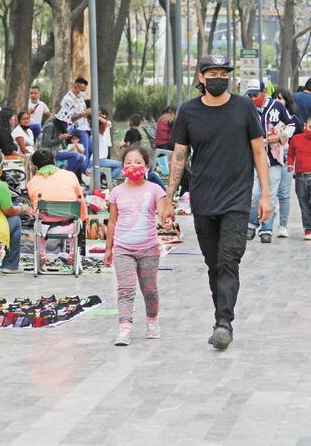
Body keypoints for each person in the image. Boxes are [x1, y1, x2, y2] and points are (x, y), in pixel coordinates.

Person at [161, 55, 271, 351]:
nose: (219, 78)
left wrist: (265, 195)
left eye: (224, 73)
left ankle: (224, 323)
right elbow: (179, 155)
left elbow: (259, 152)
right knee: (213, 265)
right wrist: (168, 198)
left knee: (228, 261)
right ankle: (220, 318)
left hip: (237, 199)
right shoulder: (188, 111)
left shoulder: (244, 107)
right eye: (213, 73)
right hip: (203, 199)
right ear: (201, 77)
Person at [105, 145, 166, 345]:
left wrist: (167, 218)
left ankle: (152, 321)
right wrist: (108, 248)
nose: (133, 166)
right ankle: (124, 328)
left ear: (147, 166)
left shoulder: (155, 189)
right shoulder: (116, 192)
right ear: (123, 167)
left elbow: (163, 213)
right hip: (123, 249)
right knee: (125, 289)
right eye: (128, 162)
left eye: (138, 162)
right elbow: (112, 222)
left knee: (150, 290)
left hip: (149, 248)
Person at [244, 79, 295, 243]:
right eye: (250, 96)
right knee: (254, 193)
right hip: (253, 157)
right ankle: (251, 223)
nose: (253, 99)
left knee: (271, 195)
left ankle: (266, 228)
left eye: (256, 95)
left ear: (264, 92)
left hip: (273, 157)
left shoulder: (277, 106)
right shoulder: (246, 107)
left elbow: (292, 124)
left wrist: (281, 136)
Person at [273, 88, 302, 237]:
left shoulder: (294, 120)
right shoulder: (268, 118)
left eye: (281, 98)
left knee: (283, 194)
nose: (278, 101)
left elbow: (301, 141)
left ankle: (283, 225)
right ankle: (266, 226)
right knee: (269, 193)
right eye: (275, 98)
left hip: (287, 159)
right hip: (270, 158)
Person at [26, 149, 87, 220]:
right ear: (54, 161)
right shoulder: (70, 175)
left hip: (43, 225)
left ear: (35, 166)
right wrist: (83, 219)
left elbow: (35, 206)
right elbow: (80, 201)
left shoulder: (31, 183)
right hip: (71, 224)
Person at [59, 77, 91, 157]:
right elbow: (67, 117)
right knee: (83, 154)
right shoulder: (68, 99)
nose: (83, 92)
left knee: (87, 152)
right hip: (76, 129)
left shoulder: (80, 98)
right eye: (82, 90)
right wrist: (83, 114)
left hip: (85, 127)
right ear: (76, 86)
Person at [96, 107, 121, 181]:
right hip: (100, 159)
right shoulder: (99, 133)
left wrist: (96, 116)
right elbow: (104, 122)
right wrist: (95, 116)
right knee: (121, 165)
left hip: (102, 156)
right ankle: (108, 180)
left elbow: (106, 122)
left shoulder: (106, 125)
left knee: (112, 166)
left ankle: (106, 179)